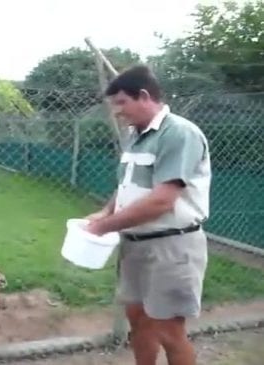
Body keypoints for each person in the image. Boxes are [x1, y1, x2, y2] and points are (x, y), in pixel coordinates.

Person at [84, 65, 212, 365]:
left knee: (169, 330)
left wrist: (104, 226)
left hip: (171, 246)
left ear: (144, 96)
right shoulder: (136, 136)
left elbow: (161, 201)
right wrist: (105, 211)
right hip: (135, 244)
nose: (116, 112)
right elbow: (129, 184)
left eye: (121, 102)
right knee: (139, 322)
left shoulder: (180, 134)